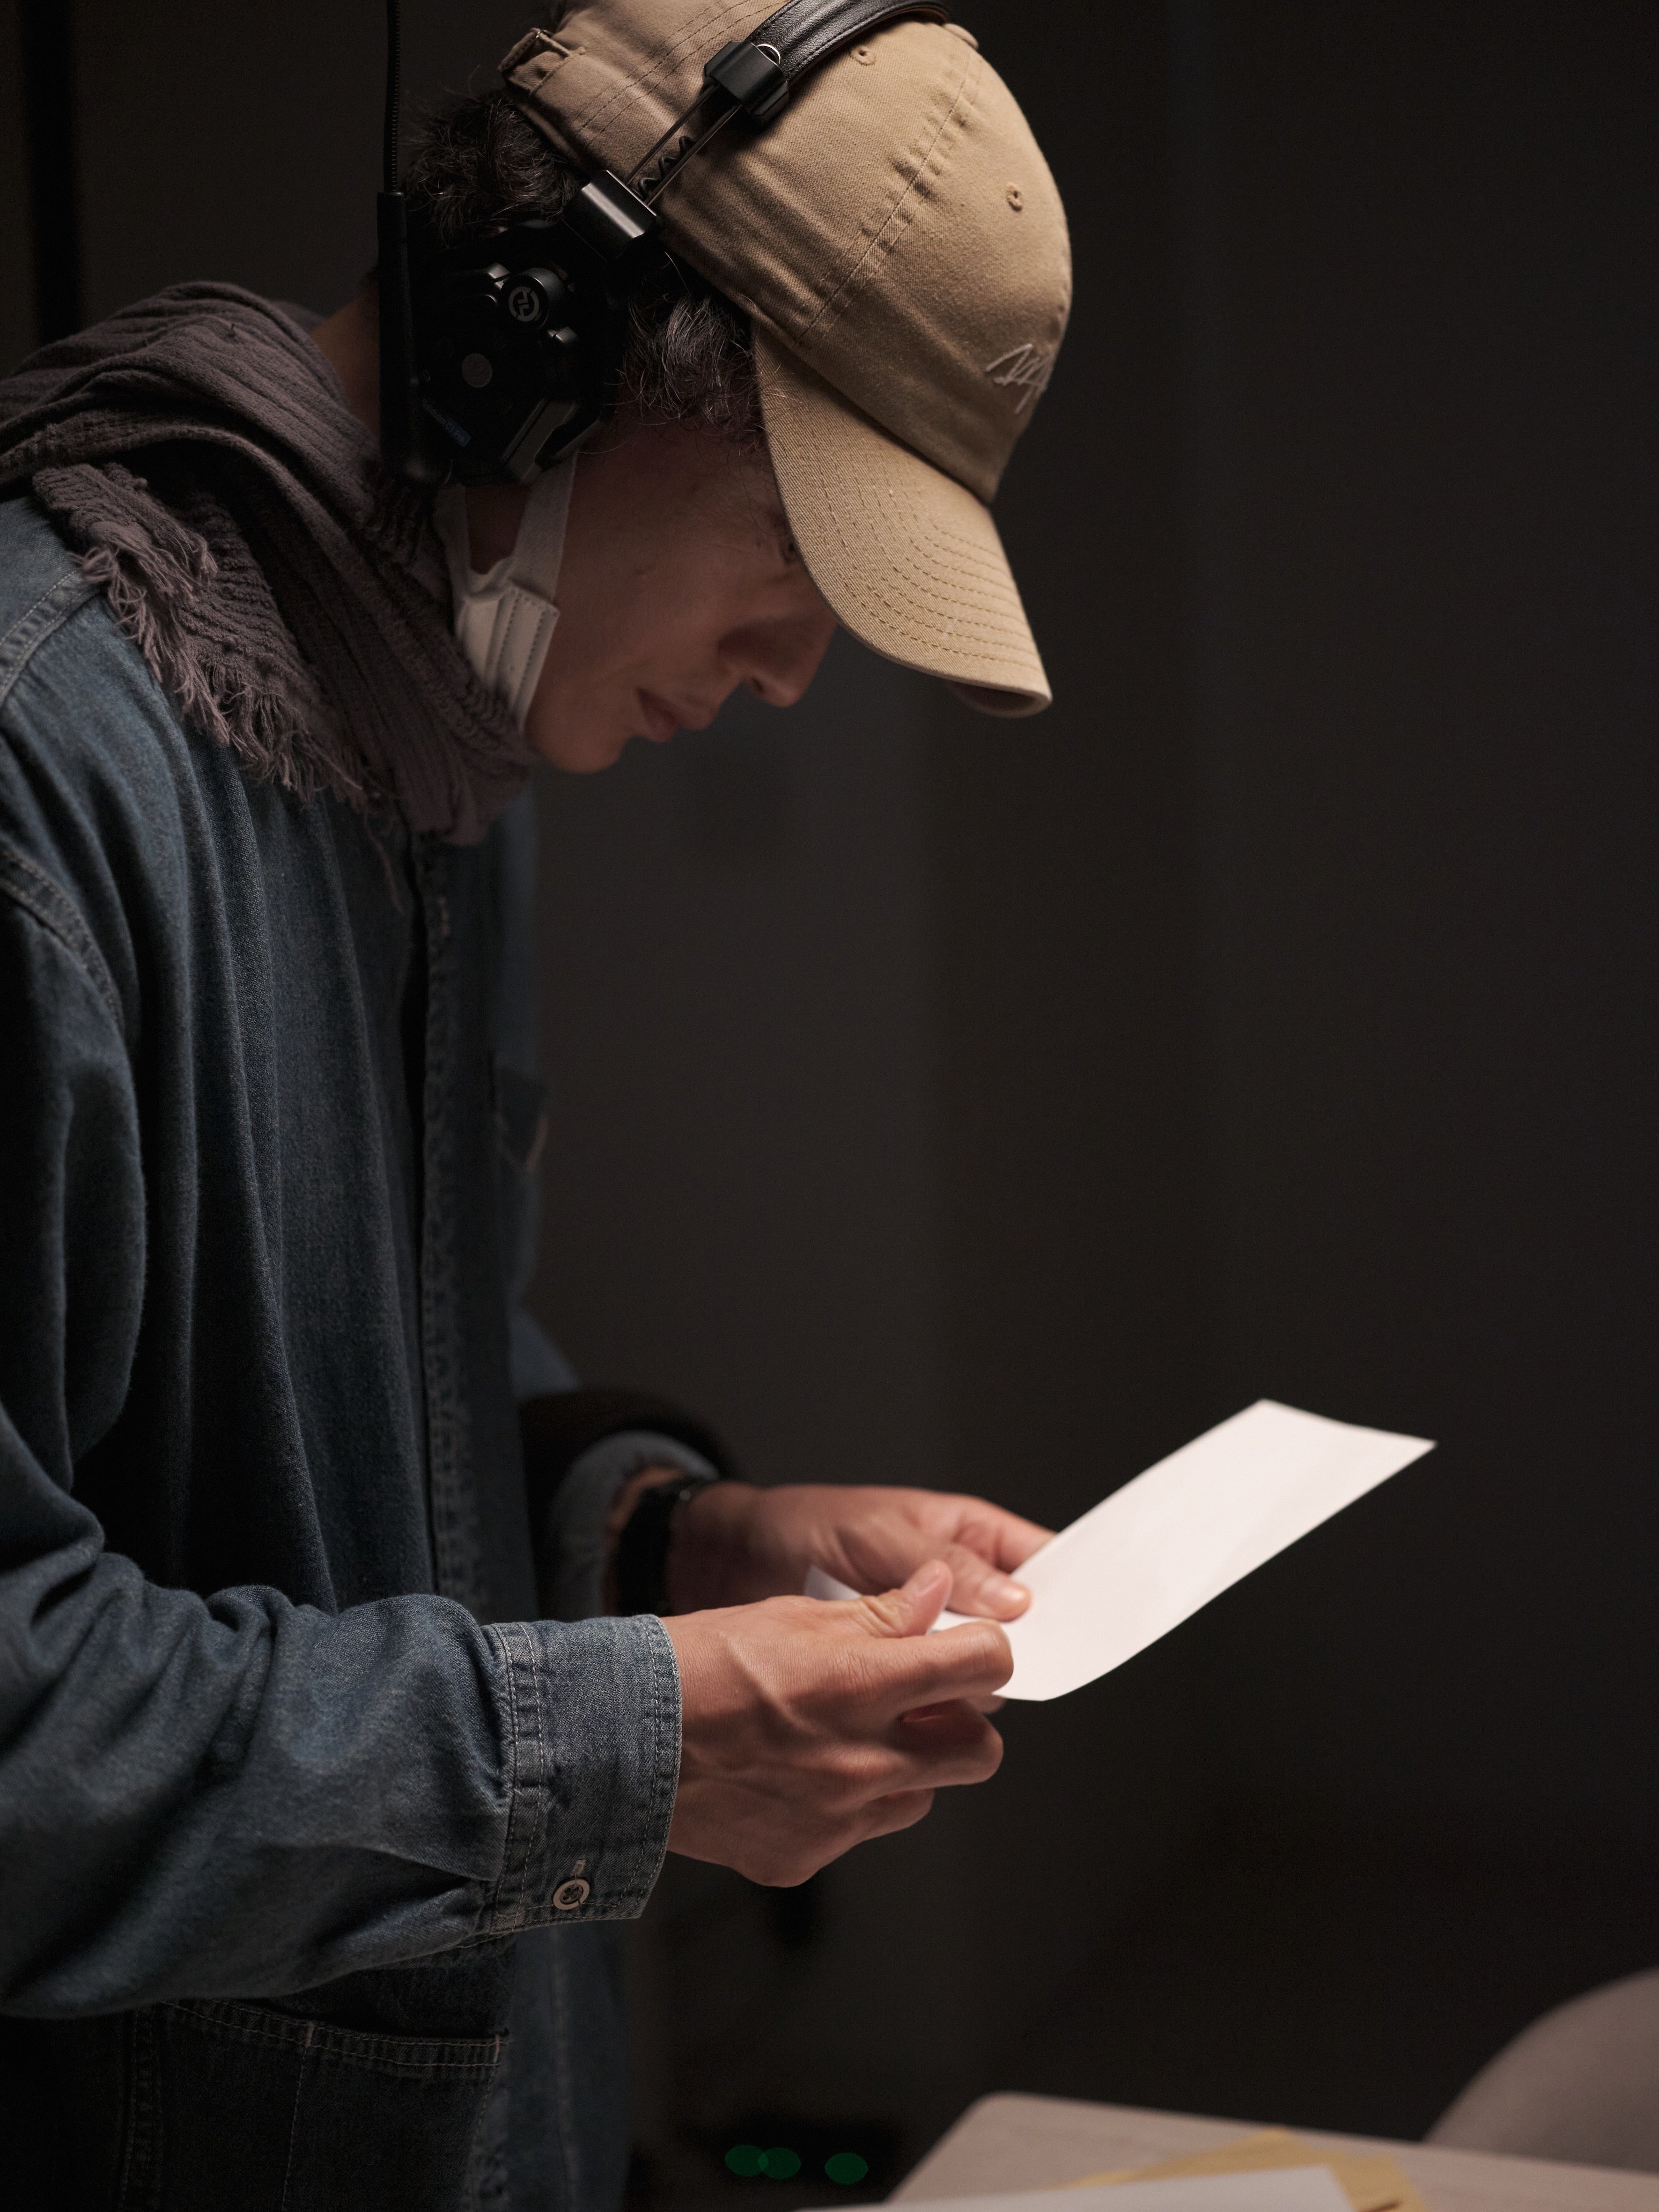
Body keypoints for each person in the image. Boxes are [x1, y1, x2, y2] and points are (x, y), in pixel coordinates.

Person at [0, 2, 1070, 2205]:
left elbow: (369, 1411)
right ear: (543, 349)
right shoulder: (41, 777)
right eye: (798, 547)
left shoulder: (439, 743)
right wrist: (626, 1748)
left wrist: (664, 1540)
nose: (795, 666)